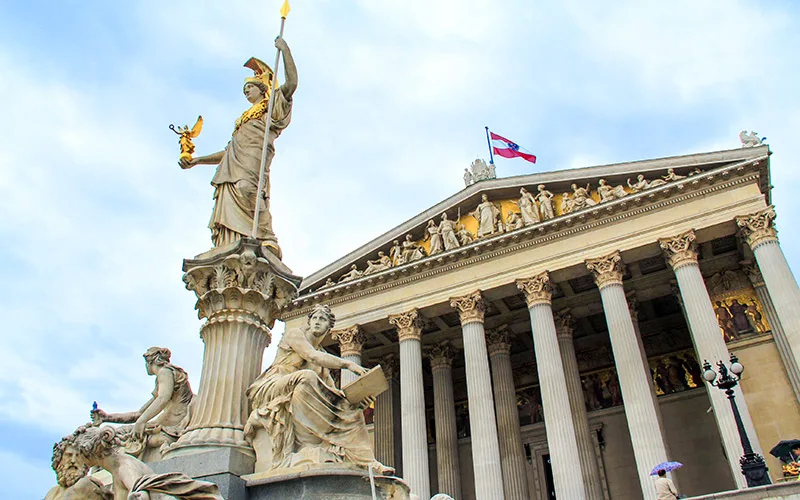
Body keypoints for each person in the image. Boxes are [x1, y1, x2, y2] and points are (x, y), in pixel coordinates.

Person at [180, 37, 298, 259]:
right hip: (232, 165)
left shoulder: (270, 109)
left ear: (262, 89)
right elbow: (228, 152)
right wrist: (197, 161)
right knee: (230, 199)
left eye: (250, 87)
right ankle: (234, 242)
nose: (246, 92)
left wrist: (285, 51)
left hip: (253, 159)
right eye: (245, 89)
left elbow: (291, 84)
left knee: (247, 190)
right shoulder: (242, 120)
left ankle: (266, 236)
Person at [245, 304, 392, 473]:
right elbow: (311, 356)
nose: (316, 322)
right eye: (314, 318)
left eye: (322, 319)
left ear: (329, 328)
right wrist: (348, 364)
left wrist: (356, 402)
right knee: (307, 376)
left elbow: (334, 393)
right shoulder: (295, 335)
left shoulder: (321, 359)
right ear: (308, 322)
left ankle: (368, 461)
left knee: (353, 411)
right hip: (271, 386)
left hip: (299, 386)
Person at [91, 347, 193, 462]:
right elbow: (139, 414)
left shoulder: (165, 372)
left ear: (150, 362)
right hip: (166, 422)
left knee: (118, 438)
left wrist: (142, 422)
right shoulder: (164, 378)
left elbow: (163, 399)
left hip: (173, 425)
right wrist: (107, 417)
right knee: (120, 432)